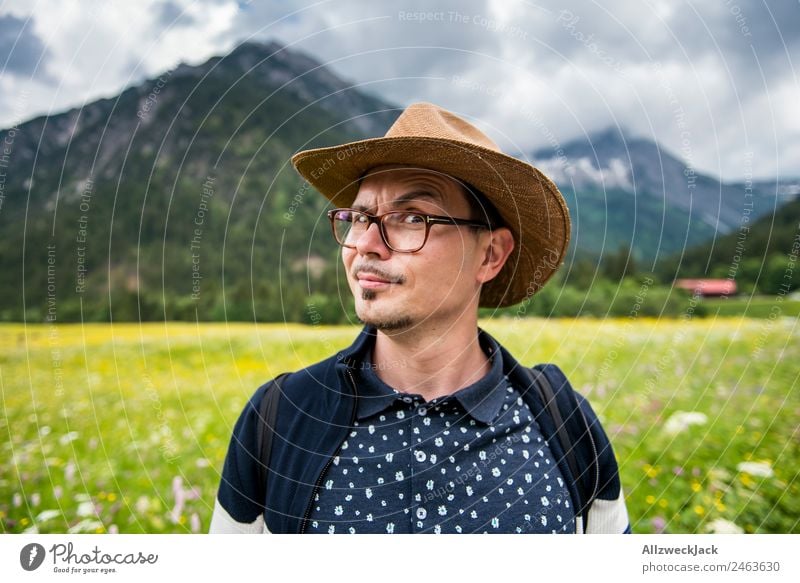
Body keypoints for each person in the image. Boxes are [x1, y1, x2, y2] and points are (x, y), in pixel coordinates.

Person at [209, 102, 629, 534]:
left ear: (490, 255)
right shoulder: (281, 415)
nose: (366, 243)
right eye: (358, 218)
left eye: (411, 217)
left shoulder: (562, 420)